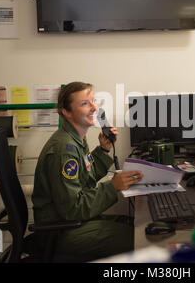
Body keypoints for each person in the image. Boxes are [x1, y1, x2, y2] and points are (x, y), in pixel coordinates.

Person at [32, 82, 143, 262]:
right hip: (61, 231)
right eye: (85, 104)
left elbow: (85, 179)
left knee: (135, 224)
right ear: (67, 112)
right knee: (138, 239)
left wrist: (103, 150)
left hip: (73, 224)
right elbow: (73, 208)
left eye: (93, 101)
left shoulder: (76, 140)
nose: (94, 108)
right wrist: (112, 186)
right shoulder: (64, 149)